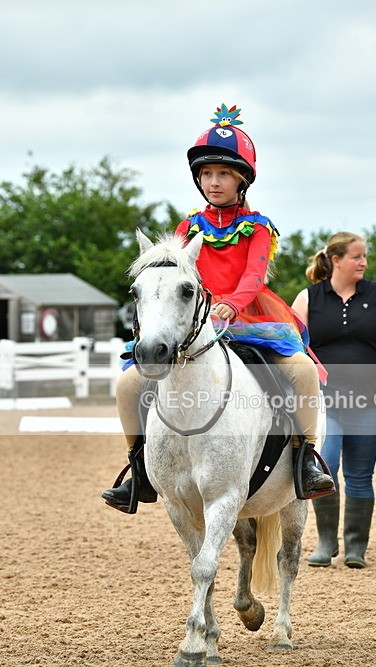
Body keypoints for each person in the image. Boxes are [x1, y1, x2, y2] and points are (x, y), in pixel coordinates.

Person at [102, 104, 334, 513]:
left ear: (241, 179)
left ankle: (306, 459)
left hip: (248, 317)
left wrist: (229, 305)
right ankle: (138, 469)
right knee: (127, 385)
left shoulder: (258, 227)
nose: (214, 181)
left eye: (223, 173)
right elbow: (171, 279)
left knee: (301, 370)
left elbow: (253, 278)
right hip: (192, 324)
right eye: (207, 174)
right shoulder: (187, 227)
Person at [292, 232, 376, 568]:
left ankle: (355, 548)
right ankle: (324, 542)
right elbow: (291, 345)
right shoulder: (309, 298)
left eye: (365, 257)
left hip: (370, 399)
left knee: (361, 474)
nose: (363, 262)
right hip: (325, 401)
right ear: (336, 260)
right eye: (357, 256)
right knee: (326, 466)